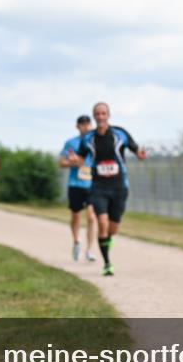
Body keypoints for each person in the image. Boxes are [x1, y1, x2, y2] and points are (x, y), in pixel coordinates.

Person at [69, 102, 146, 276]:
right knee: (101, 223)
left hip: (119, 187)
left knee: (113, 229)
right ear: (94, 116)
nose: (100, 117)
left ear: (108, 115)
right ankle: (107, 263)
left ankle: (107, 240)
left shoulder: (120, 133)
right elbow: (81, 159)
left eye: (103, 113)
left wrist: (140, 154)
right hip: (98, 187)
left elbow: (136, 150)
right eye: (97, 114)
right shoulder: (88, 138)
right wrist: (75, 160)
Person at [59, 115, 99, 262]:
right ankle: (76, 241)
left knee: (91, 216)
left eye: (88, 123)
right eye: (82, 124)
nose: (85, 126)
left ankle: (90, 250)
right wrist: (72, 163)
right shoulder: (71, 143)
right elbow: (61, 162)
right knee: (76, 216)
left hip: (92, 184)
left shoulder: (96, 142)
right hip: (75, 184)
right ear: (77, 126)